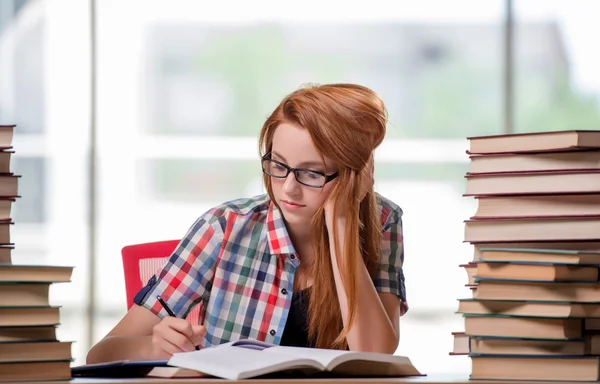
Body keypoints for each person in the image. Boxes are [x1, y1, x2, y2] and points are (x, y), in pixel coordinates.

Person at [86, 83, 408, 364]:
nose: (288, 188)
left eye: (312, 173)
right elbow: (101, 353)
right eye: (278, 165)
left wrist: (340, 226)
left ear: (355, 175)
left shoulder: (383, 221)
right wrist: (153, 347)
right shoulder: (223, 228)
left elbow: (375, 354)